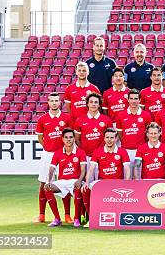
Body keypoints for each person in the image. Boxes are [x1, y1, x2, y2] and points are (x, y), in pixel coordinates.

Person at [34, 93, 72, 223]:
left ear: (60, 103)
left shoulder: (66, 118)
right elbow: (40, 138)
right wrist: (48, 148)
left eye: (57, 101)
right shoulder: (42, 119)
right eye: (52, 101)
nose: (54, 103)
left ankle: (67, 215)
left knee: (64, 184)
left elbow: (69, 137)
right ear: (48, 103)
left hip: (63, 155)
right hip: (47, 154)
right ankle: (41, 214)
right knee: (44, 183)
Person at [80, 128, 130, 220]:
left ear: (116, 139)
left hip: (117, 182)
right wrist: (87, 182)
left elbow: (127, 169)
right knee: (85, 189)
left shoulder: (122, 151)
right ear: (104, 138)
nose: (109, 140)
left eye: (112, 138)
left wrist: (126, 183)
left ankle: (122, 217)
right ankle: (91, 218)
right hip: (102, 182)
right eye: (107, 137)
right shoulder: (98, 151)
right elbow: (91, 169)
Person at [44, 128, 87, 227]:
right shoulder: (58, 153)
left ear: (74, 139)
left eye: (71, 137)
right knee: (47, 188)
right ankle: (57, 219)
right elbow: (51, 169)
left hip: (76, 180)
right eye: (66, 137)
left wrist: (80, 180)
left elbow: (83, 170)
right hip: (62, 182)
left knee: (78, 188)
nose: (69, 139)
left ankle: (76, 219)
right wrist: (48, 181)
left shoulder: (81, 152)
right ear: (62, 139)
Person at [115, 89, 152, 166]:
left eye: (136, 99)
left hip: (141, 150)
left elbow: (148, 134)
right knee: (127, 175)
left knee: (138, 175)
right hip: (126, 150)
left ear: (139, 100)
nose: (133, 101)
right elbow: (120, 133)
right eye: (131, 98)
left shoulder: (146, 115)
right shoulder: (120, 115)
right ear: (128, 100)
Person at [73, 93, 112, 159]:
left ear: (99, 105)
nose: (93, 104)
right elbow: (77, 140)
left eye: (96, 102)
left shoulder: (107, 120)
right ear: (87, 104)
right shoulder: (79, 120)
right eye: (91, 102)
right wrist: (84, 152)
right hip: (86, 157)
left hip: (103, 156)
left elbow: (111, 139)